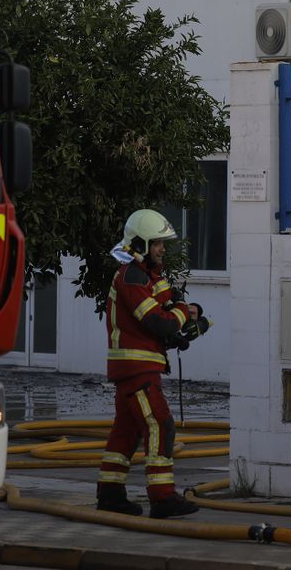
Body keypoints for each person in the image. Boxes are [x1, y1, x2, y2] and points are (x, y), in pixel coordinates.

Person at [95, 209, 213, 519]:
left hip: (135, 366)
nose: (162, 249)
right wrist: (180, 318)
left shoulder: (147, 276)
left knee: (126, 431)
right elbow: (157, 322)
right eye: (157, 243)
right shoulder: (131, 276)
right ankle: (162, 497)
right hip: (137, 368)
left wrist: (188, 316)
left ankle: (110, 494)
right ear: (140, 244)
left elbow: (169, 306)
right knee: (160, 424)